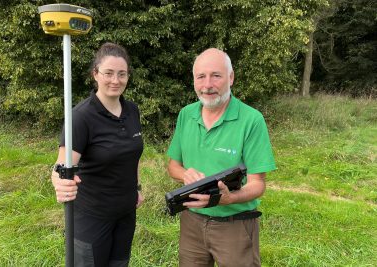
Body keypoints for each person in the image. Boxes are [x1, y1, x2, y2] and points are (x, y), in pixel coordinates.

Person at [166, 48, 276, 267]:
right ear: (194, 80)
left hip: (234, 225)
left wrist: (229, 198)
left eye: (216, 76)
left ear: (231, 78)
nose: (208, 85)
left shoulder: (251, 120)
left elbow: (258, 184)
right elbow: (172, 166)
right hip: (191, 220)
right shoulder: (186, 115)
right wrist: (185, 174)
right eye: (201, 77)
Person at [50, 42, 144, 267]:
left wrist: (137, 189)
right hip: (92, 217)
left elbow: (134, 156)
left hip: (125, 213)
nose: (115, 80)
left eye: (122, 74)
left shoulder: (132, 110)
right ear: (95, 74)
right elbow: (61, 167)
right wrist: (59, 183)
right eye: (108, 73)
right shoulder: (81, 117)